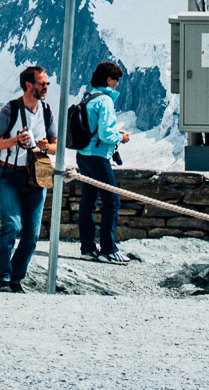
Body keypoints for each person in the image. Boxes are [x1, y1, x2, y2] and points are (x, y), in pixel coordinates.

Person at [0, 65, 55, 292]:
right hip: (9, 174)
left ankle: (15, 278)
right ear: (29, 85)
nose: (46, 87)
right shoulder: (10, 110)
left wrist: (47, 146)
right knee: (11, 225)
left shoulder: (47, 112)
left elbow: (56, 145)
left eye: (46, 83)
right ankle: (2, 278)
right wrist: (15, 141)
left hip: (36, 178)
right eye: (42, 83)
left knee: (32, 234)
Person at [76, 60, 130, 266]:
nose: (117, 84)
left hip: (83, 155)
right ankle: (109, 249)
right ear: (109, 79)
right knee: (111, 201)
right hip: (98, 156)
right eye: (116, 80)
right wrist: (121, 137)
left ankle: (87, 248)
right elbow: (106, 133)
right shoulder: (105, 100)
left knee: (88, 202)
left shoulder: (88, 96)